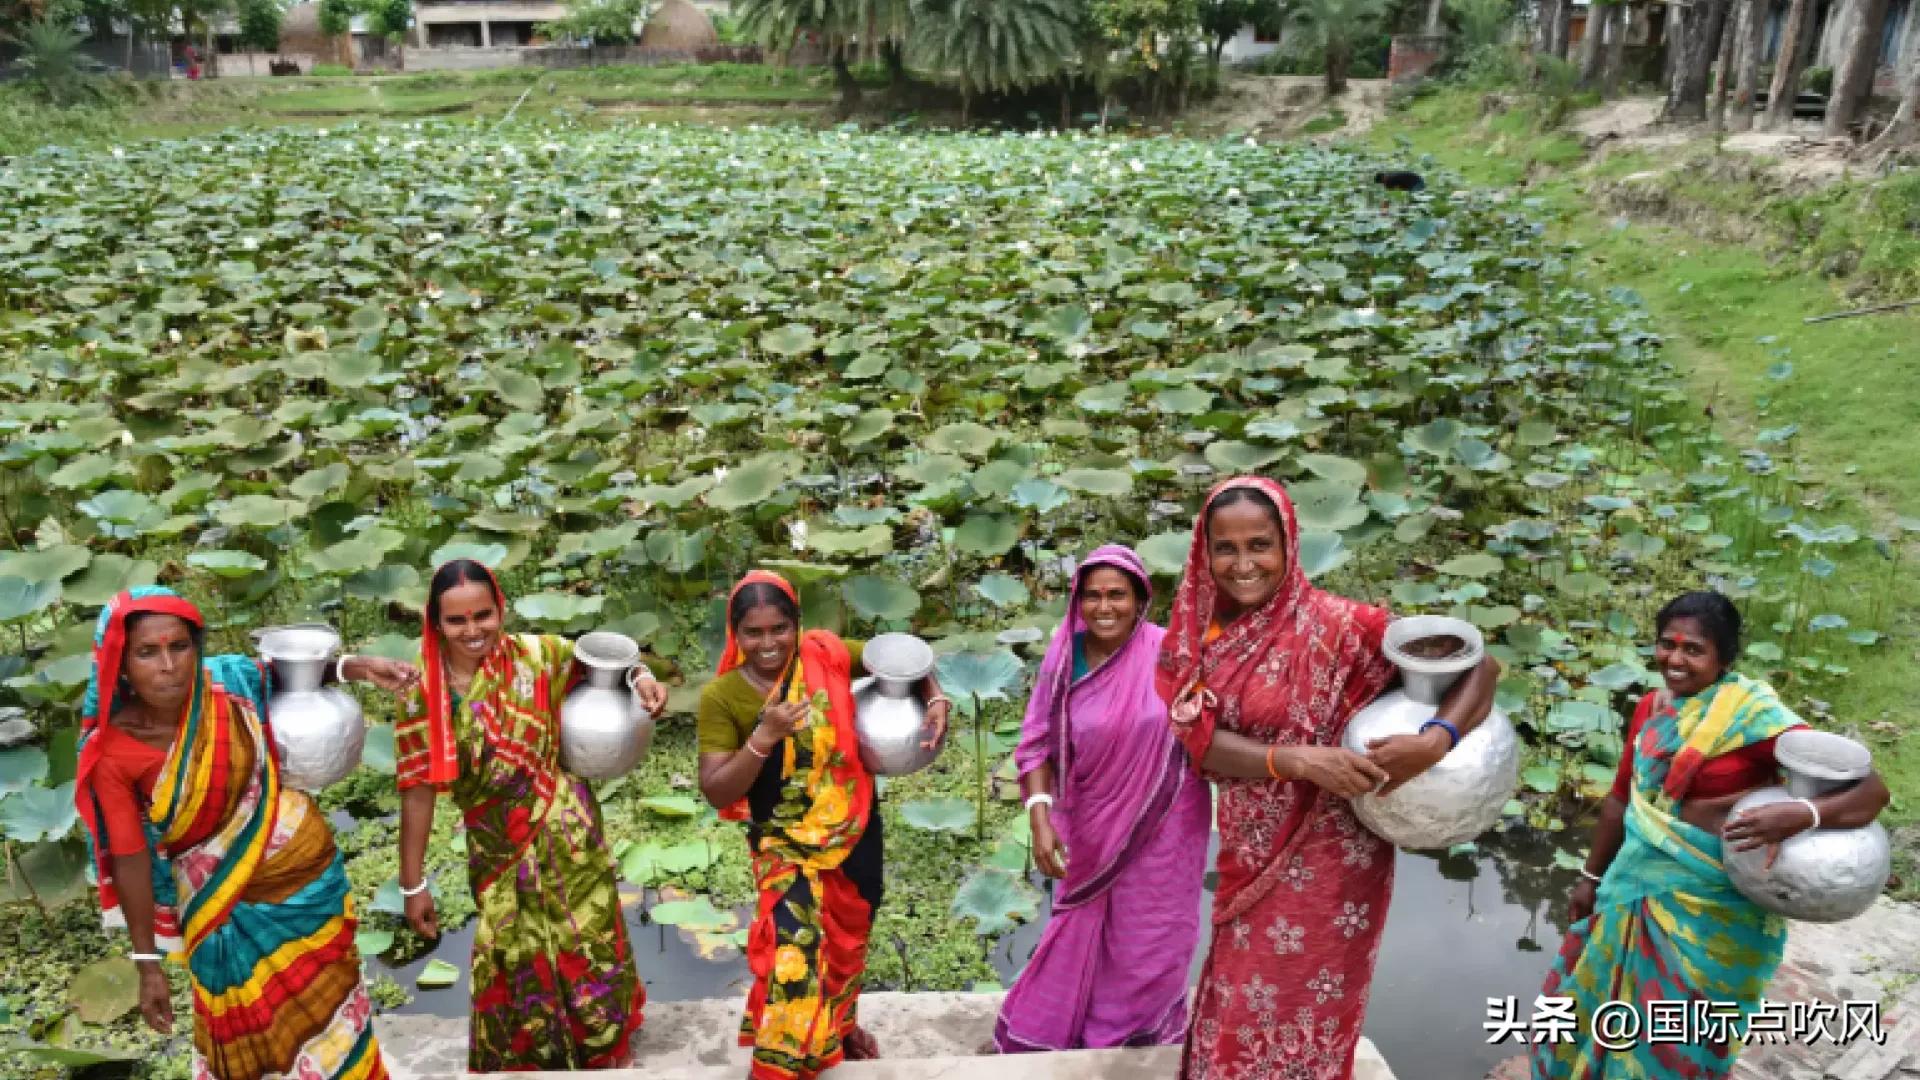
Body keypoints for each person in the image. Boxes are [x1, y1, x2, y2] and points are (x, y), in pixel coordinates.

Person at [1156, 476, 1500, 1080]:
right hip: (1254, 849)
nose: (1243, 565)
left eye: (1259, 545)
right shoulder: (1199, 635)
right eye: (1225, 548)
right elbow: (1198, 742)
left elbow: (1481, 664)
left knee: (1314, 1000)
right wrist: (1295, 759)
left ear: (1289, 544)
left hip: (1338, 856)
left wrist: (1433, 740)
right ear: (1203, 552)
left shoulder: (1344, 626)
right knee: (1240, 993)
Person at [1531, 590, 1890, 1080]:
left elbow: (1871, 791)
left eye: (1693, 649)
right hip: (1633, 891)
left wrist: (1801, 814)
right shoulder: (1652, 711)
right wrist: (1590, 877)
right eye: (1666, 644)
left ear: (1723, 657)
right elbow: (1620, 799)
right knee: (1601, 1007)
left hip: (1714, 911)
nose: (1675, 659)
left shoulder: (1756, 720)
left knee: (1683, 1035)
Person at [73, 587, 416, 1080]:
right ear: (119, 665)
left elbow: (284, 672)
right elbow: (128, 857)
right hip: (222, 914)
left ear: (198, 648)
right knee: (239, 1036)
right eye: (147, 652)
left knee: (333, 1021)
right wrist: (147, 963)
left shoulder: (225, 687)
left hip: (309, 896)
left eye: (180, 646)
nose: (168, 665)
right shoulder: (114, 752)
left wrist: (356, 668)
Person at [393, 559, 668, 1072]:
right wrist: (413, 884)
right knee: (510, 956)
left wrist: (643, 675)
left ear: (501, 610)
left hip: (569, 830)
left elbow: (605, 661)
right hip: (497, 845)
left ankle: (601, 1050)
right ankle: (532, 1058)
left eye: (484, 615)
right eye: (457, 621)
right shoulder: (421, 691)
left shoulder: (536, 656)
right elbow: (417, 790)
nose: (474, 630)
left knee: (588, 943)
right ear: (435, 624)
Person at [697, 570, 951, 1080]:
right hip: (785, 846)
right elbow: (718, 789)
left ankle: (838, 1026)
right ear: (736, 634)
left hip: (853, 832)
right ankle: (778, 1068)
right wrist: (764, 737)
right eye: (753, 632)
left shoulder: (825, 652)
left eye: (779, 628)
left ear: (798, 624)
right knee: (793, 956)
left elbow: (903, 657)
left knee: (847, 942)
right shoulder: (723, 697)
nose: (768, 643)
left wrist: (936, 693)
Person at [994, 544, 1210, 1053]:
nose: (1104, 607)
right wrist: (1039, 817)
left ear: (1140, 601)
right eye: (1092, 596)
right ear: (1077, 601)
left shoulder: (1170, 654)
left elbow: (1207, 728)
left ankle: (1133, 1034)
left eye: (1117, 595)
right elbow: (1036, 745)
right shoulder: (1063, 659)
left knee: (1149, 937)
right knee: (1075, 931)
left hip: (1167, 825)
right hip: (1088, 824)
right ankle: (1047, 1030)